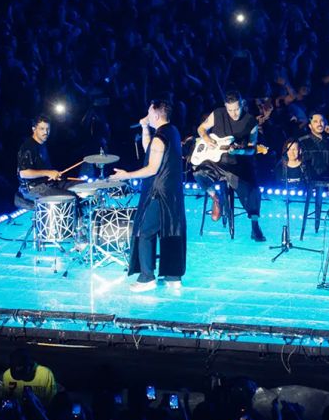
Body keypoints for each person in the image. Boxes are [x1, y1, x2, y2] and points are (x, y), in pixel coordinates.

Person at [112, 100, 186, 291]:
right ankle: (172, 276)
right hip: (172, 192)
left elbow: (151, 168)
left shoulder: (160, 139)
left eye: (148, 112)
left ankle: (147, 277)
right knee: (171, 230)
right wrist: (145, 127)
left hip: (158, 192)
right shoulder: (172, 131)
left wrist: (126, 175)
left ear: (155, 113)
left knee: (145, 232)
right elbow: (149, 151)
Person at [195, 91, 266, 242]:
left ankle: (255, 225)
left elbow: (252, 149)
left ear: (242, 105)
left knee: (252, 190)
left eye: (236, 109)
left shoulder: (250, 122)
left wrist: (240, 150)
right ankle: (215, 196)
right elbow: (201, 129)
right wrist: (207, 139)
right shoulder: (218, 114)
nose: (233, 113)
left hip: (237, 163)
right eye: (230, 110)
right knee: (198, 173)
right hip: (214, 161)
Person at [16, 115, 69, 201]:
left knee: (77, 186)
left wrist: (54, 174)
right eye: (42, 129)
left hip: (45, 184)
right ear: (34, 129)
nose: (46, 132)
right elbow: (23, 173)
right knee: (69, 197)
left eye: (48, 129)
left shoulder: (42, 144)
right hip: (32, 189)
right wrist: (48, 173)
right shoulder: (28, 147)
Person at [297, 112, 329, 181]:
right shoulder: (302, 142)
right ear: (310, 126)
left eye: (321, 121)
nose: (319, 124)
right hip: (309, 183)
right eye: (315, 122)